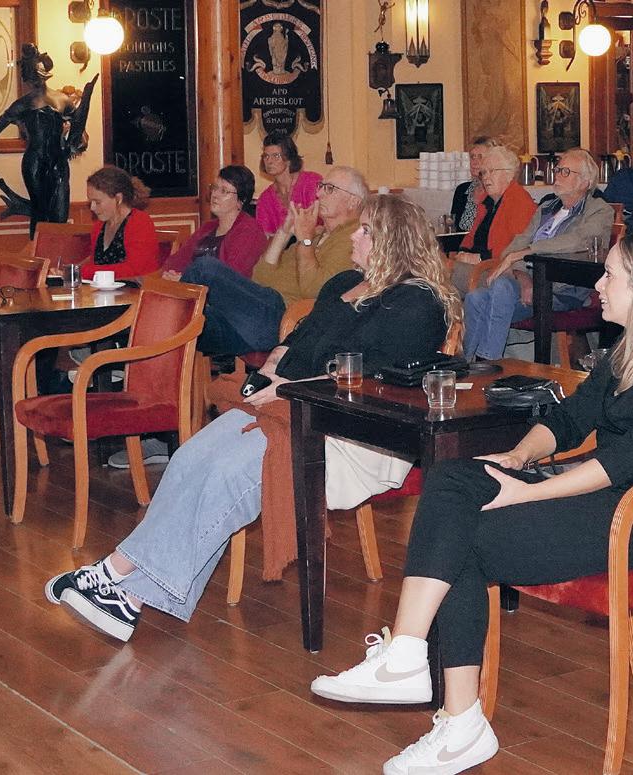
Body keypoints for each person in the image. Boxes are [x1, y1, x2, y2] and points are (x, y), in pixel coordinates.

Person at [309, 233, 633, 775]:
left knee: (463, 540)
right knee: (452, 480)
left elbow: (628, 460)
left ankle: (457, 720)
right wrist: (519, 456)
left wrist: (529, 490)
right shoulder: (629, 352)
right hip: (603, 492)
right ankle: (409, 654)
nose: (598, 285)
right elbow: (568, 419)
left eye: (610, 275)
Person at [47, 195, 459, 642]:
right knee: (190, 458)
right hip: (288, 404)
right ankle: (125, 593)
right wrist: (273, 368)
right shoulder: (345, 282)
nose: (353, 237)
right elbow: (299, 340)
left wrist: (288, 385)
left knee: (227, 472)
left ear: (393, 241)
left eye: (366, 231)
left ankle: (115, 576)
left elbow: (368, 375)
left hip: (351, 430)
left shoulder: (417, 302)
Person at [462, 148, 615, 360]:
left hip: (562, 289)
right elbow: (514, 246)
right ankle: (469, 363)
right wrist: (524, 278)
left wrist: (528, 251)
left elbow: (578, 240)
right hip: (528, 285)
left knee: (495, 293)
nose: (557, 175)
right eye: (557, 170)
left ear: (585, 182)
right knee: (475, 298)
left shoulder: (599, 210)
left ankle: (485, 362)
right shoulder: (547, 207)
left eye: (565, 172)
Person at [164, 165, 286, 357]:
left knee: (204, 268)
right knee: (165, 318)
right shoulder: (207, 228)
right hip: (201, 308)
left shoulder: (249, 231)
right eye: (215, 188)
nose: (215, 194)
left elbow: (231, 280)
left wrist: (183, 283)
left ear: (241, 201)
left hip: (236, 317)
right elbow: (173, 263)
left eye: (224, 191)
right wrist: (176, 279)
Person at [253, 166, 370, 300]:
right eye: (320, 186)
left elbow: (316, 291)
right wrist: (284, 232)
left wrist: (305, 241)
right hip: (261, 297)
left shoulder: (353, 239)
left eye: (330, 188)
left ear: (353, 202)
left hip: (282, 307)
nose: (318, 194)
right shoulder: (316, 233)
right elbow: (259, 276)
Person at [445, 144, 533, 289]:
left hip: (495, 271)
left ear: (509, 174)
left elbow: (517, 249)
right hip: (476, 266)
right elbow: (470, 237)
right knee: (434, 264)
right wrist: (462, 253)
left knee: (437, 270)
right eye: (484, 173)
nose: (486, 177)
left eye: (491, 171)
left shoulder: (520, 202)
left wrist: (479, 258)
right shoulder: (487, 202)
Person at [82, 166, 160, 280]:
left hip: (136, 290)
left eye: (97, 202)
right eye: (91, 201)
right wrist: (70, 271)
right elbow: (95, 265)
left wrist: (83, 272)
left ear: (118, 198)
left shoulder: (139, 222)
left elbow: (135, 270)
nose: (92, 207)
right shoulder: (99, 226)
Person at [254, 130, 322, 237]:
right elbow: (265, 237)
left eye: (276, 156)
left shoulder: (311, 182)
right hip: (282, 247)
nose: (269, 161)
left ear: (289, 159)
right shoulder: (265, 199)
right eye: (266, 156)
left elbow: (326, 223)